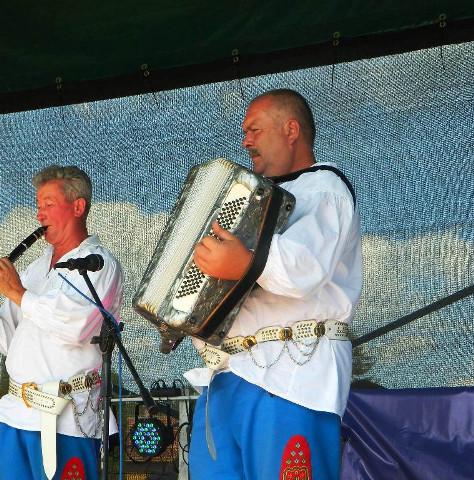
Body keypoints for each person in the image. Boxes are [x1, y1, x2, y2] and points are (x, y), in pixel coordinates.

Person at [187, 89, 362, 479]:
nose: (245, 141)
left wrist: (244, 263)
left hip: (291, 377)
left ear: (291, 130)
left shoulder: (324, 188)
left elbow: (304, 269)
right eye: (244, 132)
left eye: (254, 130)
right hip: (227, 375)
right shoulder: (249, 199)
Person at [0, 165, 123, 480]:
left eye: (49, 204)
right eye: (38, 205)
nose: (39, 214)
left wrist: (17, 292)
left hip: (67, 416)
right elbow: (7, 338)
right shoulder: (35, 270)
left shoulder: (100, 265)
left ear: (78, 207)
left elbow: (76, 327)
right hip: (17, 414)